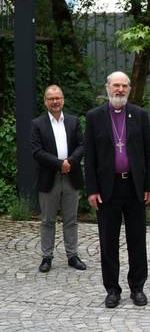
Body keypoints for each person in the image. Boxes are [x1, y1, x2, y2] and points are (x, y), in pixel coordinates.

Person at [84, 71, 150, 308]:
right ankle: (112, 290)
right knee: (108, 241)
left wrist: (149, 186)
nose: (120, 90)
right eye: (116, 85)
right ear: (107, 87)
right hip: (107, 188)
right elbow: (90, 156)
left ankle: (137, 288)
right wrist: (91, 190)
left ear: (129, 88)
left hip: (134, 187)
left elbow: (148, 154)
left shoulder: (140, 115)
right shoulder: (94, 117)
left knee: (137, 240)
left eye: (124, 86)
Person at [31, 85, 86, 273]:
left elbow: (82, 145)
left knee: (71, 219)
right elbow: (36, 152)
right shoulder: (37, 124)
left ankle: (72, 255)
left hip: (71, 177)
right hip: (49, 178)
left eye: (58, 98)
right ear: (45, 101)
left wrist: (69, 162)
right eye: (51, 98)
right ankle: (46, 257)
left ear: (63, 99)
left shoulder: (73, 121)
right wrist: (58, 164)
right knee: (47, 220)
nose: (55, 101)